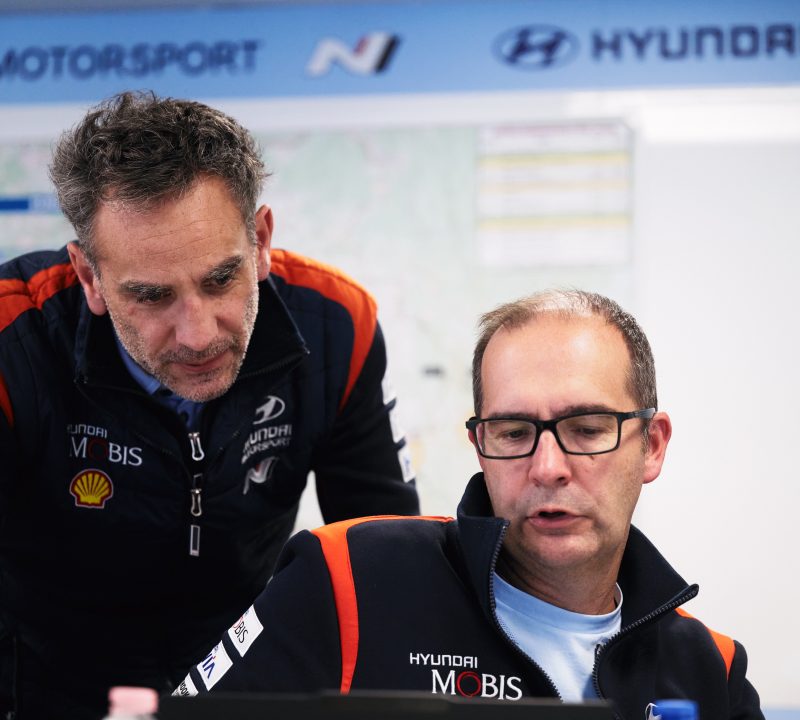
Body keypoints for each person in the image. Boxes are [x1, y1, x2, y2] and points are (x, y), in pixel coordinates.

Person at [0, 91, 419, 719]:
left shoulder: (338, 326)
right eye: (151, 296)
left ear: (260, 241)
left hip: (246, 679)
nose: (198, 336)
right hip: (44, 687)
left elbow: (389, 566)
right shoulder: (12, 341)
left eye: (221, 279)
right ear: (89, 277)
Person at [175, 289, 763, 720]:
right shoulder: (346, 578)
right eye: (513, 433)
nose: (548, 467)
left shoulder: (710, 669)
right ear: (481, 447)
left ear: (652, 446)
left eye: (586, 429)